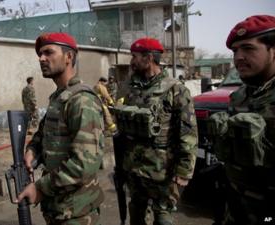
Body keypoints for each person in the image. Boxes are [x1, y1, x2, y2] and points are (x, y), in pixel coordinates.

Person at [16, 32, 105, 225]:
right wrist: (32, 150)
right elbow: (44, 132)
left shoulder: (82, 100)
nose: (41, 58)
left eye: (48, 52)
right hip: (59, 208)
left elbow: (84, 164)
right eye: (40, 54)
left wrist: (40, 188)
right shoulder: (60, 97)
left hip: (77, 212)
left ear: (69, 57)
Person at [113, 37, 198, 225]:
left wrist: (184, 170)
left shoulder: (175, 89)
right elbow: (119, 124)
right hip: (133, 168)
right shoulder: (126, 87)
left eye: (134, 56)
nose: (132, 61)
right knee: (136, 212)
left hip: (162, 170)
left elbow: (188, 132)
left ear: (149, 57)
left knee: (163, 216)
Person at [218, 15, 275, 225]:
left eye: (248, 48)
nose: (239, 57)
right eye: (235, 51)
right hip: (238, 206)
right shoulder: (240, 95)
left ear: (273, 49)